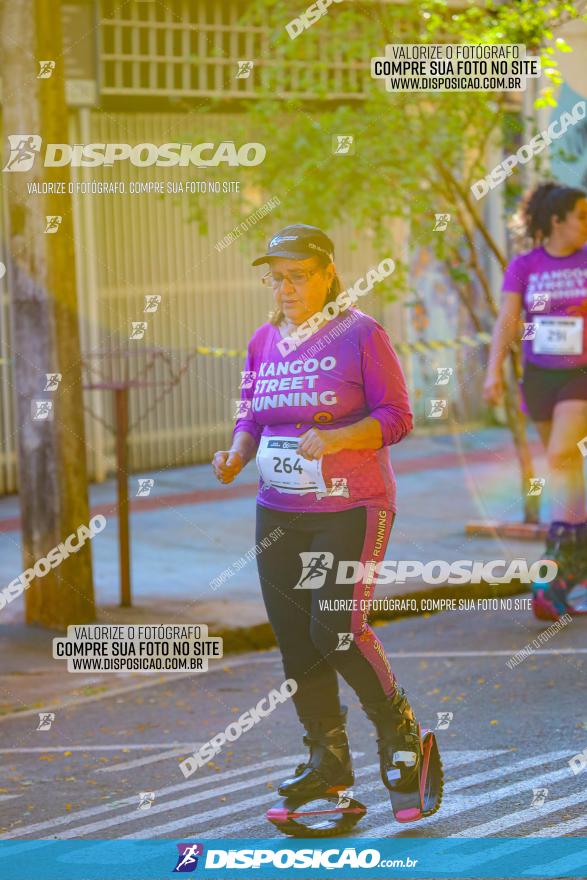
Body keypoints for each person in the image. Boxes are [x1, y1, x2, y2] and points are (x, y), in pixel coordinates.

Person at [212, 224, 422, 803]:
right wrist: (235, 453)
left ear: (328, 274)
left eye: (298, 276)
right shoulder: (261, 340)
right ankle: (326, 757)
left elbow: (398, 416)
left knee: (334, 629)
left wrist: (340, 438)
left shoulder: (361, 334)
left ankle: (398, 731)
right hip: (277, 508)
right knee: (295, 641)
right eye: (276, 278)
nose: (285, 288)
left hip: (351, 506)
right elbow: (252, 415)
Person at [483, 182, 587, 620]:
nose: (586, 224)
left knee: (564, 454)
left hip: (580, 376)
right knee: (565, 471)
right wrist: (492, 372)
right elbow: (509, 319)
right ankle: (572, 574)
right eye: (581, 216)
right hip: (540, 376)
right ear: (556, 220)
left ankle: (559, 565)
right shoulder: (526, 266)